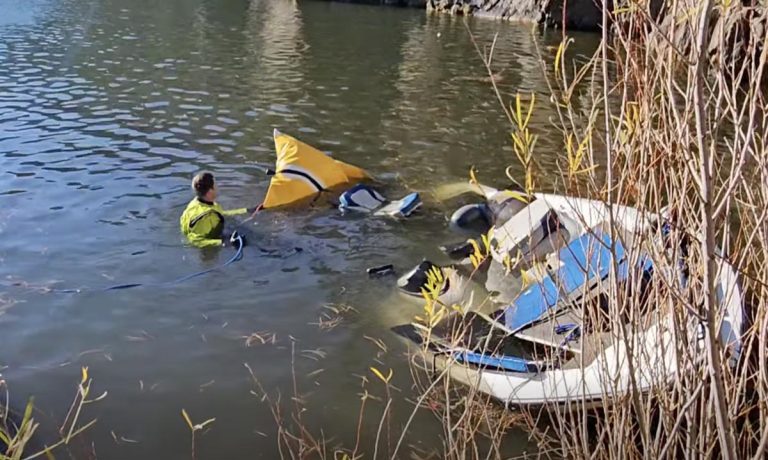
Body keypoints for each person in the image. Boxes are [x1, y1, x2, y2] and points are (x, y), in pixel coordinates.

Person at [180, 171, 261, 248]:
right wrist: (224, 242)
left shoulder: (196, 203)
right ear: (210, 192)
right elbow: (194, 240)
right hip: (209, 244)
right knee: (251, 241)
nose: (217, 187)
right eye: (215, 185)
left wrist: (246, 210)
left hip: (213, 230)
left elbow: (221, 213)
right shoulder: (205, 217)